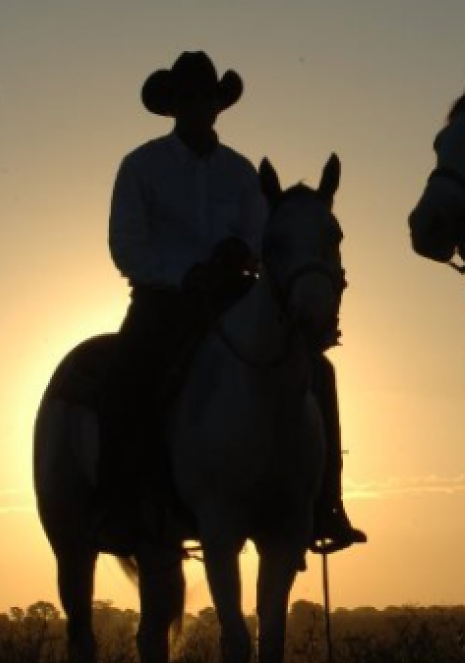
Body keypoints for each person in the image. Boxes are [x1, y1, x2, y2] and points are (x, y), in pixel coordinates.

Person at [101, 51, 365, 553]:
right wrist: (186, 273)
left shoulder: (242, 173)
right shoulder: (141, 166)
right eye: (186, 100)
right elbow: (127, 244)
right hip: (164, 303)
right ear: (173, 106)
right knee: (124, 377)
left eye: (204, 99)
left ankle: (324, 504)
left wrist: (242, 252)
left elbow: (264, 236)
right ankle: (121, 506)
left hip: (234, 298)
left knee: (317, 373)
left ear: (217, 106)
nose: (196, 108)